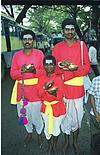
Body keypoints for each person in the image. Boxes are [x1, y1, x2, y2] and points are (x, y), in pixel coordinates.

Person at [52, 18, 90, 155]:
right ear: (63, 31)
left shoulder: (82, 45)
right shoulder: (56, 48)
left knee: (77, 117)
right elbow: (54, 70)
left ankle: (75, 141)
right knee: (65, 117)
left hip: (78, 90)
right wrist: (65, 68)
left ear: (75, 31)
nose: (69, 31)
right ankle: (67, 141)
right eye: (67, 29)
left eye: (72, 29)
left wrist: (72, 70)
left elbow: (87, 68)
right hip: (63, 90)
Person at [10, 29, 44, 147]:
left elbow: (44, 72)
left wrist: (34, 71)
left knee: (37, 115)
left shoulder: (39, 54)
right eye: (25, 39)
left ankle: (39, 134)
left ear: (33, 41)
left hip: (36, 90)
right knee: (23, 114)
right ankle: (29, 132)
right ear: (22, 41)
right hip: (22, 91)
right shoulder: (16, 55)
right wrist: (21, 71)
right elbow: (13, 74)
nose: (27, 41)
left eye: (30, 39)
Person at [37, 55, 66, 155]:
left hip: (58, 108)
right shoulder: (41, 78)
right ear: (43, 66)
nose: (49, 66)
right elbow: (40, 95)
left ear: (54, 66)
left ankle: (54, 144)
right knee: (47, 129)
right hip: (46, 108)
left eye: (51, 64)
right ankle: (50, 145)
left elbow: (60, 95)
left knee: (56, 129)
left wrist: (53, 94)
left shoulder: (58, 78)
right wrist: (45, 88)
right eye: (46, 64)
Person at [88, 75, 100, 155]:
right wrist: (96, 114)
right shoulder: (96, 80)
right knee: (95, 136)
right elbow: (91, 96)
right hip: (96, 113)